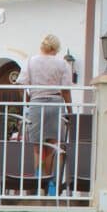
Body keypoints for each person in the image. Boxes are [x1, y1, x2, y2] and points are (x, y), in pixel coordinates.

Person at [16, 34, 73, 179]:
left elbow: (21, 84)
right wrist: (70, 111)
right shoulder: (63, 64)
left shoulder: (31, 61)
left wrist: (28, 101)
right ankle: (50, 181)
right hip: (56, 102)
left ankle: (36, 180)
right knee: (53, 144)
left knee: (36, 145)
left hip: (37, 101)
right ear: (56, 47)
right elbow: (66, 90)